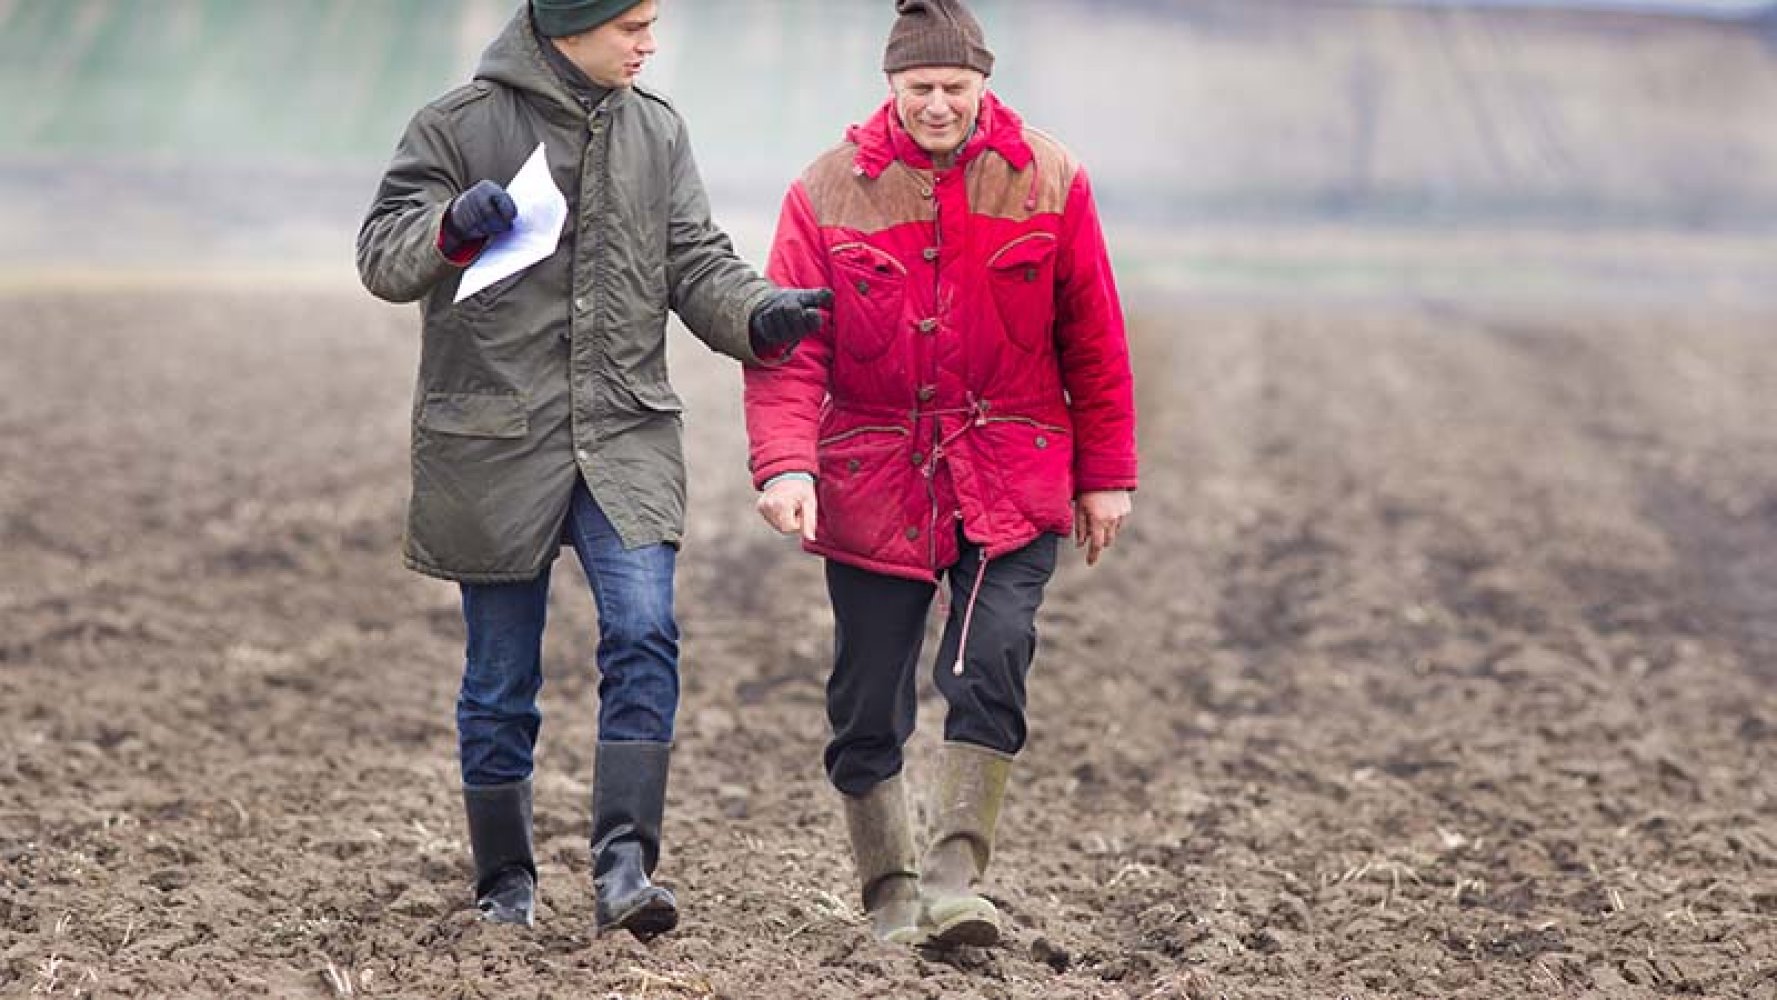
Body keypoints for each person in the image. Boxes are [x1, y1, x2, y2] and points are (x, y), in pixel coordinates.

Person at [356, 0, 829, 941]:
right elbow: (381, 255)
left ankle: (625, 869)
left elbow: (694, 260)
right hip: (493, 444)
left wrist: (759, 315)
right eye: (633, 26)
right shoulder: (456, 125)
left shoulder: (656, 128)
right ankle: (504, 884)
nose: (649, 44)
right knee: (499, 675)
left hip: (624, 435)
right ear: (571, 26)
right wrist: (452, 226)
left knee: (646, 631)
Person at [743, 0, 1137, 949]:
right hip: (875, 477)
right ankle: (889, 889)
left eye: (953, 88)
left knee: (990, 660)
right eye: (918, 88)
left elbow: (1092, 335)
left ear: (982, 85)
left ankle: (957, 880)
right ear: (890, 86)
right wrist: (786, 464)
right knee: (866, 696)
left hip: (1012, 469)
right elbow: (788, 353)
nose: (936, 105)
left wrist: (1106, 474)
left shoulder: (1049, 176)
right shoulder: (826, 191)